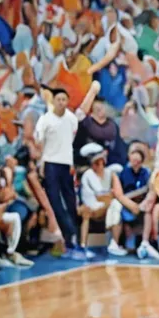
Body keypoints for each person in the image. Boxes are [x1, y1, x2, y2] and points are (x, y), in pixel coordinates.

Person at [34, 84, 95, 260]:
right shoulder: (45, 120)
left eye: (64, 99)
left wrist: (92, 90)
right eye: (58, 99)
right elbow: (40, 144)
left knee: (71, 202)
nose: (61, 102)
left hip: (66, 165)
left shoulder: (71, 119)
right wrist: (42, 165)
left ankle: (73, 242)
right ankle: (70, 240)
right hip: (51, 165)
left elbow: (80, 117)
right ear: (53, 102)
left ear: (67, 102)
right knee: (55, 202)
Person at [107, 144, 151, 256]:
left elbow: (147, 190)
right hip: (125, 203)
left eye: (138, 159)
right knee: (116, 205)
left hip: (142, 204)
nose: (135, 161)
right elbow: (118, 194)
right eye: (133, 158)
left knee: (148, 209)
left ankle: (145, 244)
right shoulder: (123, 173)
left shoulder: (146, 173)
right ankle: (115, 243)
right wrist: (128, 202)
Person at [78, 144, 115, 257]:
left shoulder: (109, 173)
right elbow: (101, 196)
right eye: (96, 162)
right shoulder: (88, 175)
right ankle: (83, 246)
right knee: (86, 212)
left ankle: (113, 244)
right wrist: (110, 196)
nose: (99, 165)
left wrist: (111, 197)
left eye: (101, 161)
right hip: (91, 206)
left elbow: (110, 195)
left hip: (103, 206)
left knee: (114, 206)